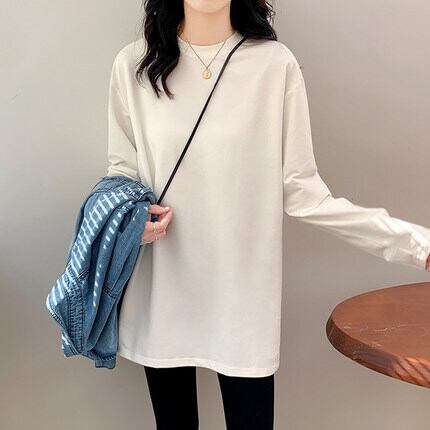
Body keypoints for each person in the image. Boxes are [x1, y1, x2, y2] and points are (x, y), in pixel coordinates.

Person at [105, 0, 430, 428]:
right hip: (159, 287)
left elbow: (306, 195)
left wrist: (418, 245)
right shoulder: (135, 64)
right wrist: (133, 221)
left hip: (242, 295)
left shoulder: (274, 65)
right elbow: (121, 173)